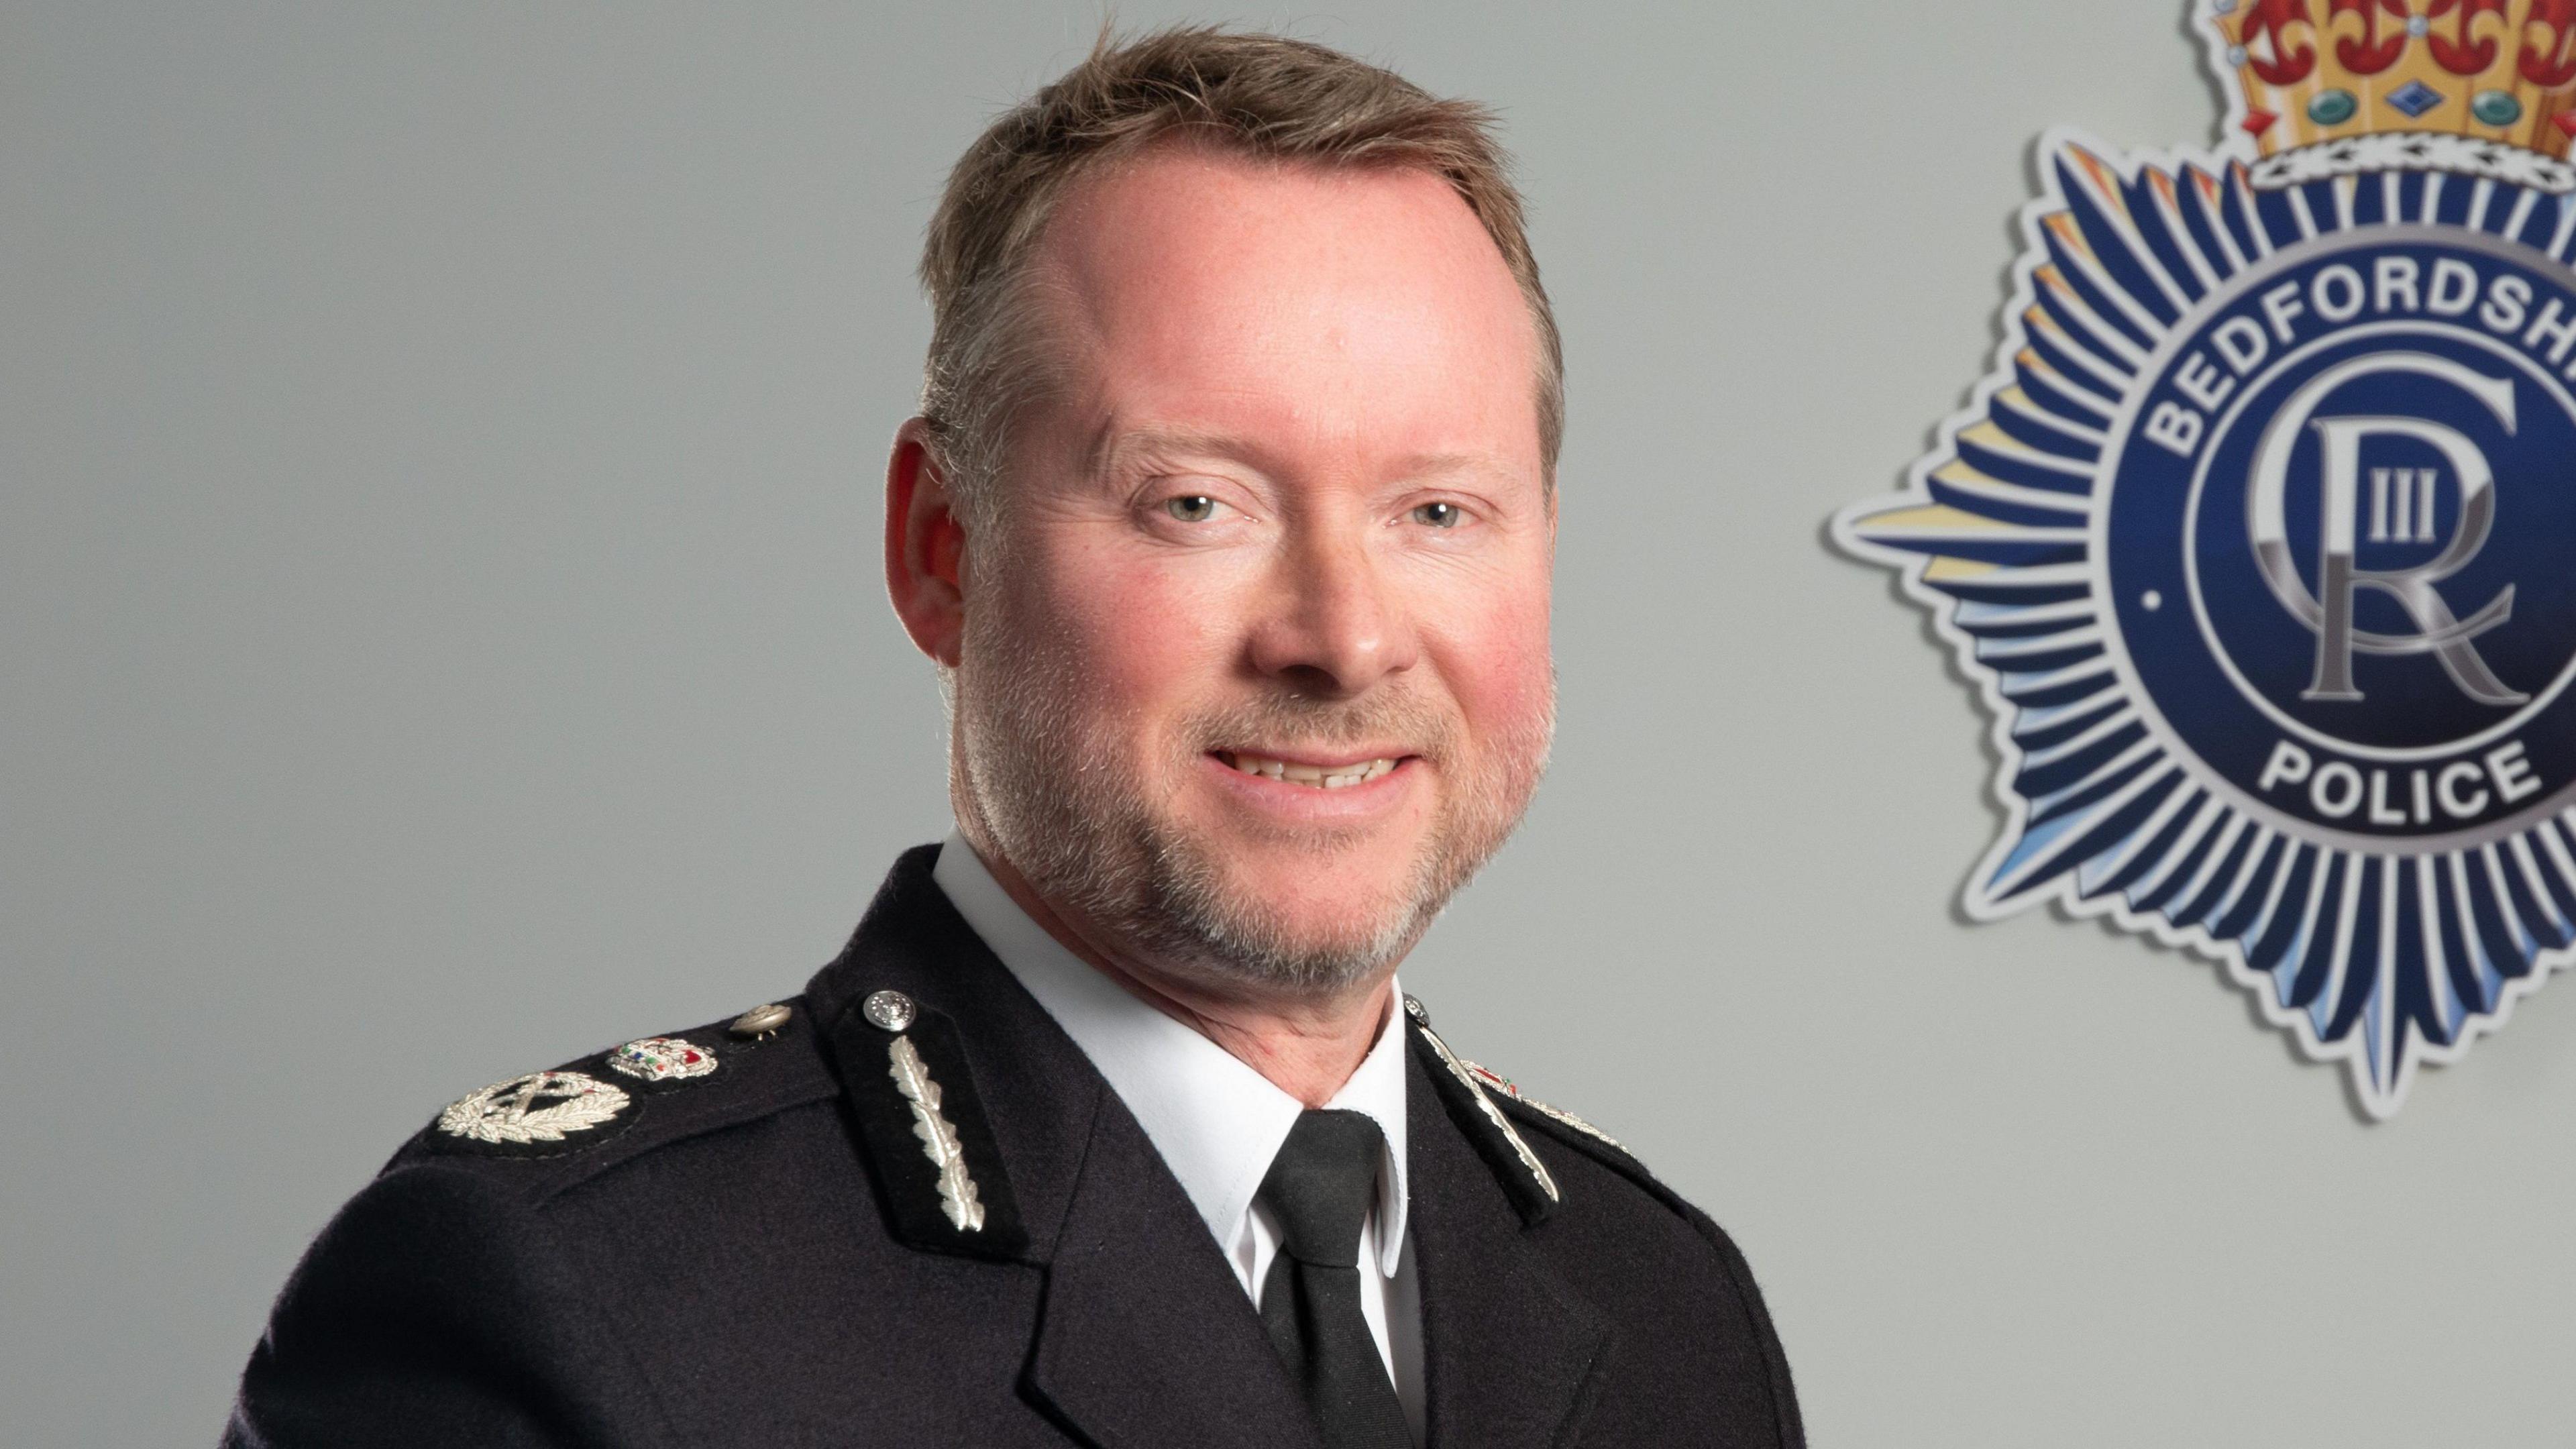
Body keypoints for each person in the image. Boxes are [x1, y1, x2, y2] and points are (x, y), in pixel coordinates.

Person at [224, 28, 1803, 1449]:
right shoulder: (576, 1294)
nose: (1345, 636)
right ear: (942, 547)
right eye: (1197, 503)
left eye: (1438, 511)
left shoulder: (1664, 1307)